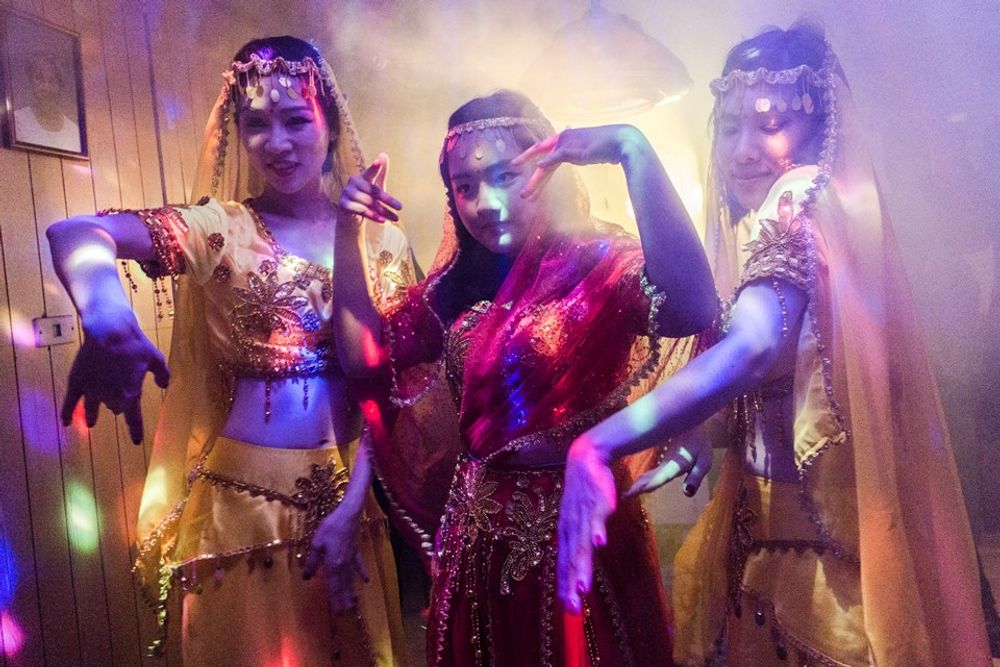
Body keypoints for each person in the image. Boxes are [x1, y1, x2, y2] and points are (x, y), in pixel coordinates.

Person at [556, 22, 993, 666]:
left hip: (821, 574)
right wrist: (705, 424)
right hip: (778, 553)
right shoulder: (807, 219)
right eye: (731, 127)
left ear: (821, 130)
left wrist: (599, 443)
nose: (743, 150)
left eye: (772, 125)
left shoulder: (798, 195)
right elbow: (792, 388)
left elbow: (757, 346)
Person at [46, 36, 409, 666]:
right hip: (241, 511)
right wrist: (106, 312)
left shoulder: (382, 240)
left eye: (296, 120)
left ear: (329, 121)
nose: (277, 142)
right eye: (256, 124)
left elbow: (392, 389)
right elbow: (77, 232)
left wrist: (355, 504)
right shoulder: (221, 227)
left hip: (353, 511)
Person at [332, 89, 717, 665]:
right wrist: (347, 232)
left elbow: (693, 306)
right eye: (465, 186)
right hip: (477, 548)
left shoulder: (598, 265)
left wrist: (632, 150)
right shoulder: (453, 289)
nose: (485, 203)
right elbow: (364, 360)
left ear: (548, 168)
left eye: (505, 176)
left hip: (580, 535)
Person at [14, 55, 81, 152]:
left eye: (52, 81)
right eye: (40, 79)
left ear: (60, 86)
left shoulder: (73, 131)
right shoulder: (18, 121)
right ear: (31, 82)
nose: (46, 87)